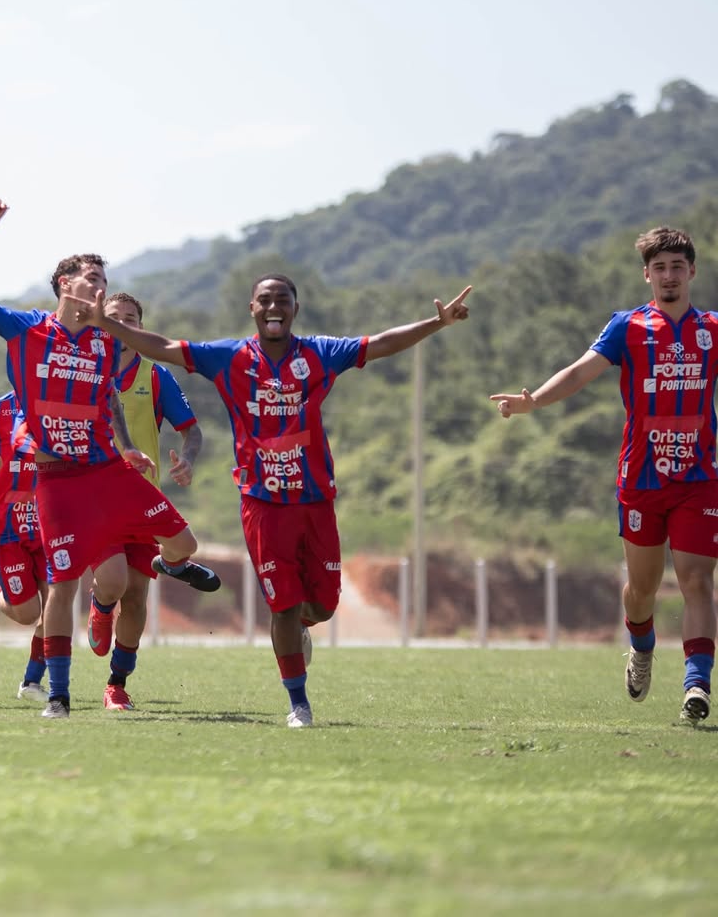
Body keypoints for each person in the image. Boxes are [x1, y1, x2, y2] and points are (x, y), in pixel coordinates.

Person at [71, 272, 472, 727]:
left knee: (320, 606)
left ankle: (300, 626)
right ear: (252, 309)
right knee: (280, 605)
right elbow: (162, 345)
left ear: (295, 309)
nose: (274, 306)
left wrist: (435, 324)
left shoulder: (320, 353)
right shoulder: (229, 357)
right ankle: (298, 703)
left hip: (315, 499)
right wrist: (109, 324)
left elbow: (380, 343)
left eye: (283, 298)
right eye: (265, 299)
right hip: (260, 501)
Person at [0, 199, 220, 720]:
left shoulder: (105, 339)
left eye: (103, 279)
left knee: (185, 542)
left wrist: (125, 445)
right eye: (91, 278)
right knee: (62, 587)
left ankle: (165, 565)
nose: (99, 287)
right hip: (58, 480)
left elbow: (115, 394)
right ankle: (59, 696)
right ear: (64, 283)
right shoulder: (26, 329)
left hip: (108, 471)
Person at [491, 226, 718, 725]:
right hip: (641, 479)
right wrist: (534, 401)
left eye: (678, 267)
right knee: (642, 588)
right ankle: (641, 648)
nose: (669, 276)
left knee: (697, 580)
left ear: (692, 272)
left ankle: (696, 686)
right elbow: (579, 370)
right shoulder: (629, 326)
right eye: (659, 268)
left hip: (700, 478)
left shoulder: (713, 329)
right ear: (647, 275)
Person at [86, 292, 205, 711]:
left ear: (141, 327)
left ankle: (116, 685)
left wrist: (186, 461)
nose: (121, 325)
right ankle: (100, 606)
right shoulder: (82, 371)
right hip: (96, 497)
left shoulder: (154, 376)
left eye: (131, 319)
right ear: (98, 321)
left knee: (136, 597)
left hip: (143, 499)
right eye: (113, 317)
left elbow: (192, 430)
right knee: (114, 582)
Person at [0, 390, 50, 702]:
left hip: (49, 528)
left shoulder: (59, 406)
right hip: (5, 531)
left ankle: (32, 681)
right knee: (29, 613)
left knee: (57, 604)